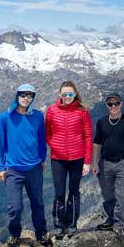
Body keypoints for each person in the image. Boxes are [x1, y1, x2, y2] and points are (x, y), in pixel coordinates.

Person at [0, 83, 50, 247]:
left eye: (30, 95)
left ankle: (41, 233)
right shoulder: (5, 118)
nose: (26, 98)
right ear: (17, 96)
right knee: (15, 207)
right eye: (23, 94)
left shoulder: (38, 116)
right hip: (13, 170)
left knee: (37, 203)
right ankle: (14, 234)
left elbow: (41, 140)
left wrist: (42, 159)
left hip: (34, 168)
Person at [45, 80, 93, 238]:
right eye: (64, 94)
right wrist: (54, 144)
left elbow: (88, 136)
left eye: (70, 94)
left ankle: (71, 224)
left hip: (77, 158)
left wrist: (87, 161)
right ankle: (59, 225)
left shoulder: (82, 111)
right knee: (59, 192)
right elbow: (47, 132)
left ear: (75, 94)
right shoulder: (52, 110)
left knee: (73, 191)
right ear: (60, 94)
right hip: (58, 159)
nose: (67, 96)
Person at [92, 93, 124, 238]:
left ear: (121, 104)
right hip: (104, 163)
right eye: (110, 104)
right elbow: (96, 143)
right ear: (107, 105)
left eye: (116, 103)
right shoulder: (101, 122)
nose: (113, 106)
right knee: (107, 194)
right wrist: (94, 163)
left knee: (122, 195)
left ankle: (119, 223)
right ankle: (111, 219)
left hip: (122, 163)